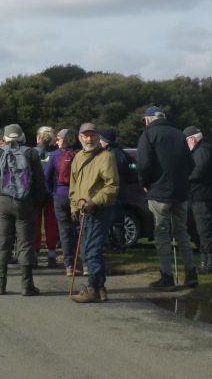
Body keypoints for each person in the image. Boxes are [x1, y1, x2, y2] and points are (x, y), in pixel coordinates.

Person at [0, 124, 46, 296]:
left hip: (2, 201)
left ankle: (0, 285)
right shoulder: (31, 153)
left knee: (3, 243)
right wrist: (36, 201)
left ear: (6, 137)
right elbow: (39, 181)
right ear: (22, 137)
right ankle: (27, 286)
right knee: (25, 243)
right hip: (24, 203)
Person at [136, 106, 197, 291]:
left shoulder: (148, 134)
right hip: (180, 193)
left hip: (159, 192)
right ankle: (191, 274)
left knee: (162, 235)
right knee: (182, 234)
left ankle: (167, 276)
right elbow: (191, 164)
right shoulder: (179, 134)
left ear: (148, 120)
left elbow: (144, 164)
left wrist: (144, 182)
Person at [69, 123, 119, 303]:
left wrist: (94, 201)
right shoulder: (77, 157)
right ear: (79, 137)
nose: (89, 139)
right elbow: (73, 186)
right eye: (85, 135)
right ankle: (100, 287)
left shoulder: (106, 157)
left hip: (99, 210)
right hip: (83, 211)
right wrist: (74, 207)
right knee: (87, 250)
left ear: (98, 137)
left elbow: (112, 186)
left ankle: (92, 289)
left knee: (92, 250)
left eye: (92, 135)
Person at [184, 125, 212, 275]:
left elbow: (197, 173)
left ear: (192, 139)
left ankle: (210, 264)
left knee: (205, 230)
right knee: (203, 230)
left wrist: (182, 177)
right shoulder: (205, 148)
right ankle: (205, 262)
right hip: (200, 196)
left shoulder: (203, 150)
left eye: (186, 142)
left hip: (203, 197)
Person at [45, 128, 81, 276]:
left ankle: (68, 265)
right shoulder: (80, 154)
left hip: (60, 195)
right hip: (78, 196)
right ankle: (83, 263)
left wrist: (51, 191)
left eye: (58, 139)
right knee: (79, 229)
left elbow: (46, 175)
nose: (56, 141)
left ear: (63, 139)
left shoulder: (55, 155)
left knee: (64, 230)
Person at [99, 128, 134, 252]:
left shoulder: (110, 155)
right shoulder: (122, 153)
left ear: (106, 141)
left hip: (114, 193)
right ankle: (118, 244)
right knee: (117, 220)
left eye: (101, 140)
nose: (99, 142)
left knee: (113, 220)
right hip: (122, 191)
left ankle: (117, 245)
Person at [33, 126, 60, 268]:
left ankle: (35, 254)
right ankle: (51, 253)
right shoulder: (56, 154)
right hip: (52, 193)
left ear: (38, 138)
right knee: (51, 225)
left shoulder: (31, 153)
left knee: (35, 225)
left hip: (36, 194)